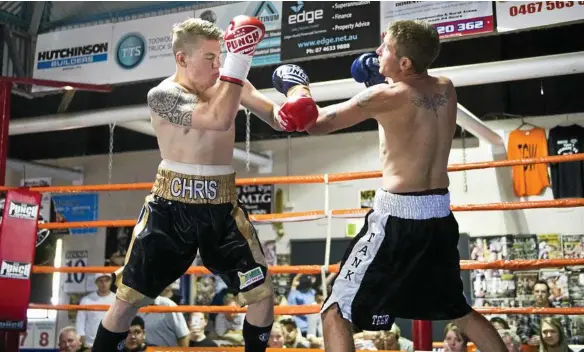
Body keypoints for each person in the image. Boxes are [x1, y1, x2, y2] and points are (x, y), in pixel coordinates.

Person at [271, 20, 508, 352]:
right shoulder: (445, 87)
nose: (378, 51)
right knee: (459, 309)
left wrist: (298, 90)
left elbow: (314, 124)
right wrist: (385, 81)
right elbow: (404, 124)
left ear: (405, 62)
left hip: (397, 219)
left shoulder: (383, 96)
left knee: (335, 311)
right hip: (439, 215)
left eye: (386, 47)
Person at [91, 15, 318, 352]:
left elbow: (279, 117)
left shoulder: (230, 82)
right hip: (170, 209)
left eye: (221, 55)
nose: (218, 64)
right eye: (210, 58)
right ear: (182, 59)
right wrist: (239, 62)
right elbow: (217, 118)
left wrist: (298, 96)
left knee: (261, 295)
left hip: (222, 208)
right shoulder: (162, 95)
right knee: (127, 300)